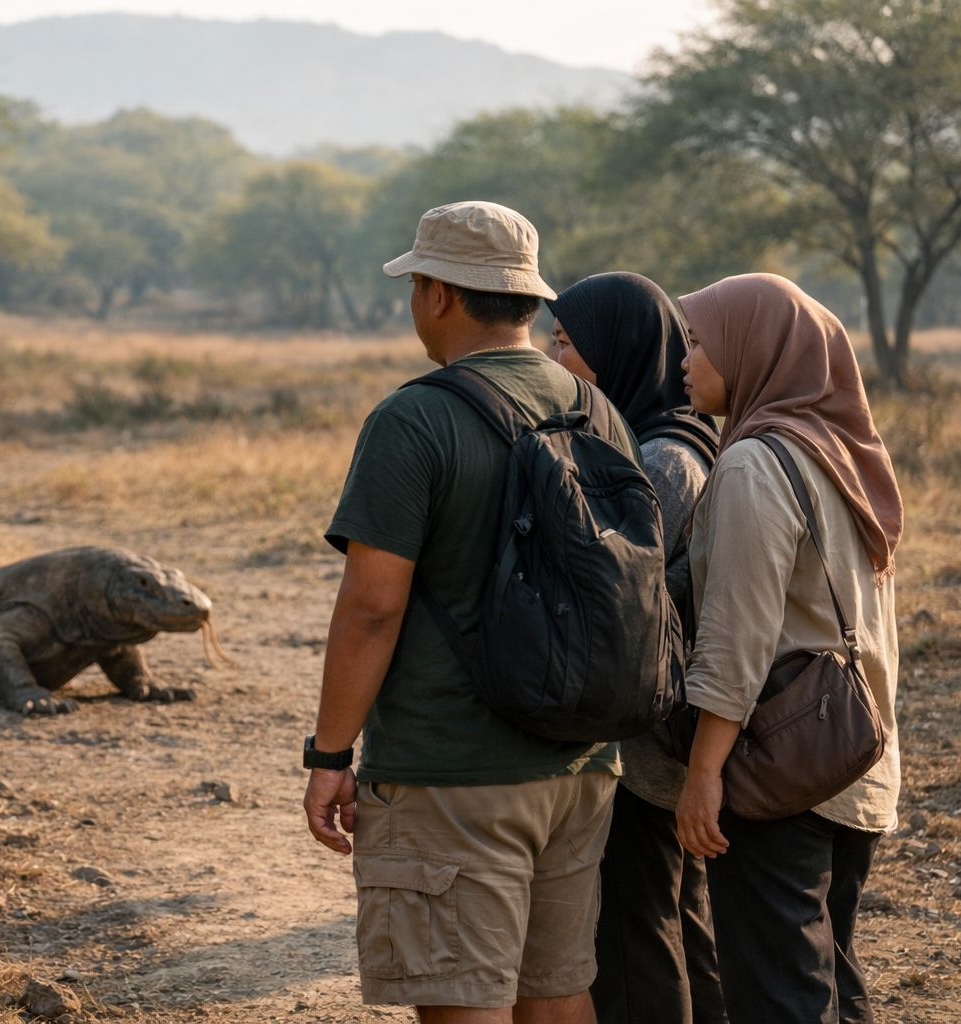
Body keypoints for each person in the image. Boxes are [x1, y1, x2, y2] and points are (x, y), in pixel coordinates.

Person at [302, 201, 638, 1024]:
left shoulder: (414, 418)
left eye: (416, 286)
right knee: (557, 990)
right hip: (581, 764)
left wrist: (330, 753)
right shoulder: (598, 409)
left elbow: (372, 607)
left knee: (461, 998)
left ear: (439, 294)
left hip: (452, 769)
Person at [673, 273, 902, 1023]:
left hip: (779, 769)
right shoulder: (846, 455)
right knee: (831, 982)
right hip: (851, 758)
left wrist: (703, 773)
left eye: (701, 342)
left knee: (779, 998)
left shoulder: (755, 463)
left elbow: (737, 636)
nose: (685, 361)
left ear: (755, 350)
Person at [546, 272, 726, 1024]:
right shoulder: (664, 440)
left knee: (634, 929)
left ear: (618, 349)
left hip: (646, 737)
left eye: (565, 342)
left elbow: (622, 596)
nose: (552, 357)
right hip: (663, 724)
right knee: (677, 920)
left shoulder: (661, 462)